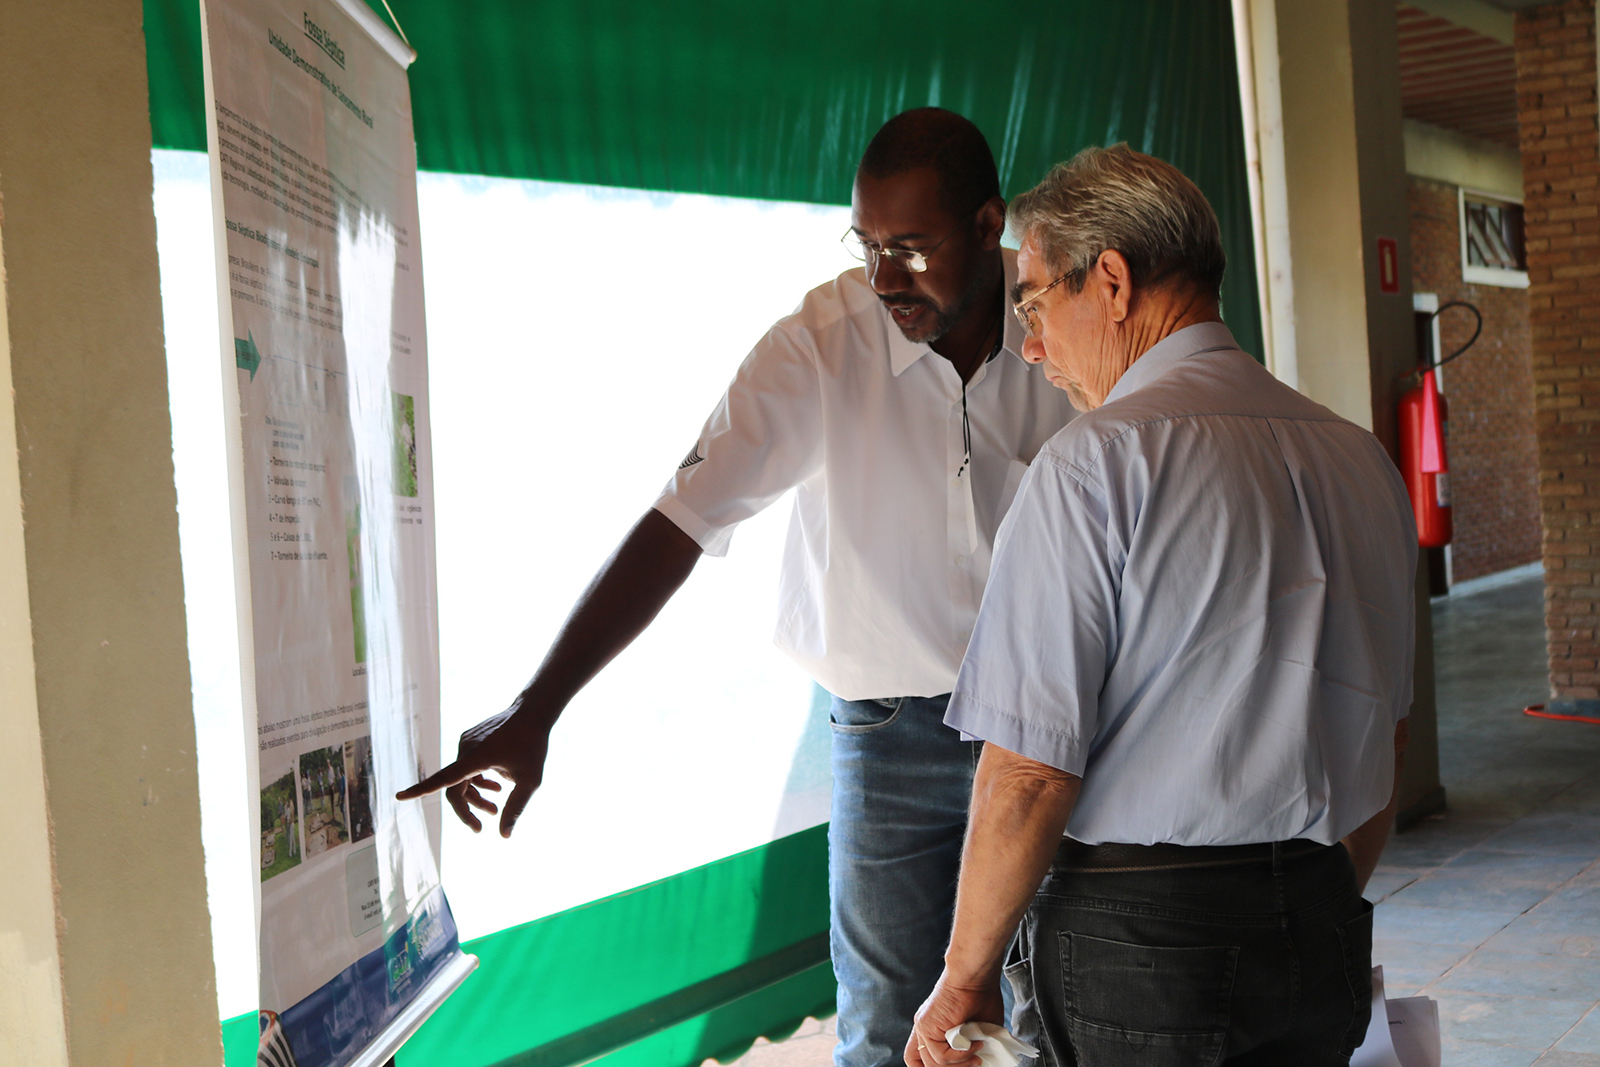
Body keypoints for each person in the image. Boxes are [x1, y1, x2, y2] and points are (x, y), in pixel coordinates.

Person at [398, 108, 1080, 1067]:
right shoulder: (821, 343)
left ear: (987, 225)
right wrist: (539, 704)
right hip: (888, 736)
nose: (884, 277)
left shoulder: (1065, 324)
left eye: (911, 249)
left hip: (1041, 725)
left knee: (1051, 1008)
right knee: (887, 1027)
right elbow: (683, 519)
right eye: (867, 245)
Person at [906, 145, 1416, 1067]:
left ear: (1110, 281)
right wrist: (1304, 895)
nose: (1031, 345)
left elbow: (1029, 770)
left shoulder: (1095, 463)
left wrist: (964, 975)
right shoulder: (1358, 457)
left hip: (1143, 945)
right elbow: (1388, 731)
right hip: (1322, 920)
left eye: (1033, 303)